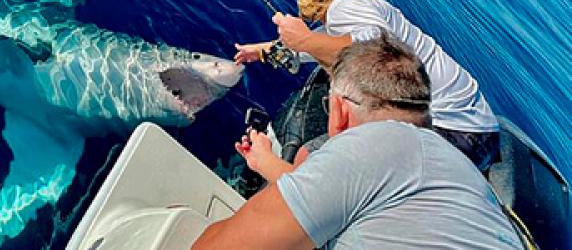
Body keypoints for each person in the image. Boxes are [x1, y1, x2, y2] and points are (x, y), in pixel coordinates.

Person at [193, 36, 523, 250]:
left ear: (337, 107)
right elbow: (351, 195)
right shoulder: (459, 169)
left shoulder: (368, 149)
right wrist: (265, 163)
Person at [235, 0, 500, 171]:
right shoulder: (359, 6)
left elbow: (375, 52)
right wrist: (260, 50)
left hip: (452, 134)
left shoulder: (345, 6)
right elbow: (319, 46)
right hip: (479, 130)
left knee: (312, 159)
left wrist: (303, 39)